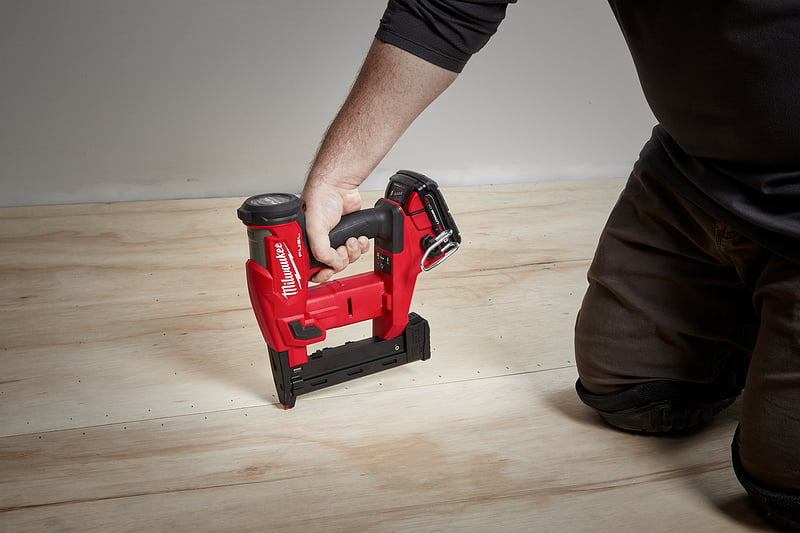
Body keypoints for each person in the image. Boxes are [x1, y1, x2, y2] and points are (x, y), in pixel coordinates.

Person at [299, 2, 800, 530]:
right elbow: (443, 8)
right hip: (695, 175)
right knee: (633, 396)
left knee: (783, 490)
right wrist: (337, 178)